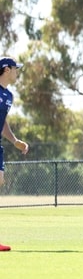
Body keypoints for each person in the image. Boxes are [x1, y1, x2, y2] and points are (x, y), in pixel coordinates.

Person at [0, 57, 29, 251]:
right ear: (6, 69)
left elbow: (2, 123)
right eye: (15, 69)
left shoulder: (9, 96)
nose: (17, 72)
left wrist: (15, 140)